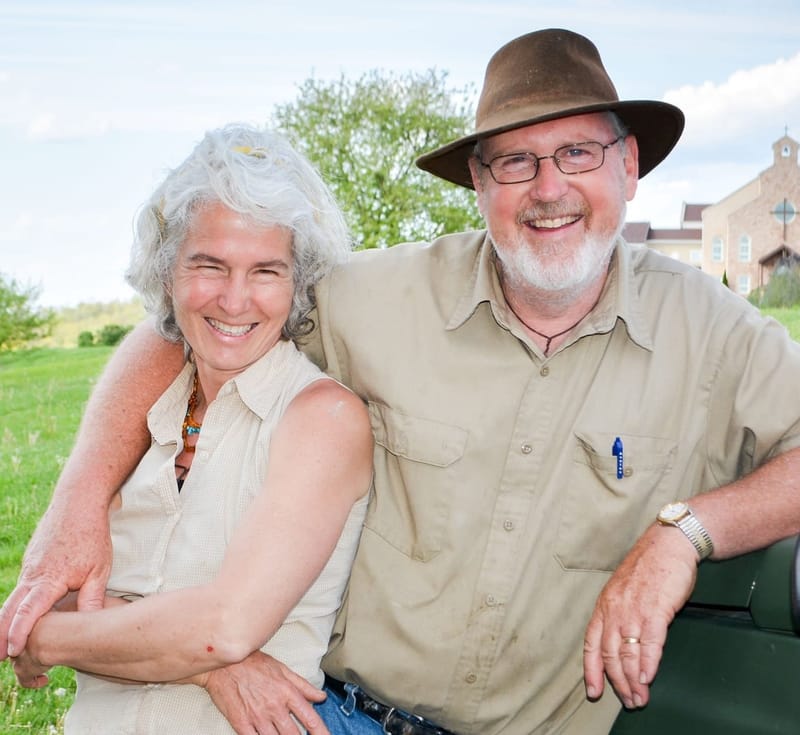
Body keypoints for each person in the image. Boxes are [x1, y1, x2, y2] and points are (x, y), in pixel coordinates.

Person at [4, 27, 800, 735]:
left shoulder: (714, 333)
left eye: (578, 154)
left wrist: (684, 533)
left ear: (628, 165)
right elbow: (198, 320)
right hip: (336, 713)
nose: (548, 188)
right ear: (479, 184)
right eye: (516, 161)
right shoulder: (372, 298)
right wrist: (79, 498)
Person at [6, 123, 373, 734]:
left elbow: (225, 624)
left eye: (265, 271)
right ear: (167, 270)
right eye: (209, 265)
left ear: (298, 282)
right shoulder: (142, 412)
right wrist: (210, 667)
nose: (235, 300)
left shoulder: (321, 419)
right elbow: (65, 594)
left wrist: (46, 642)